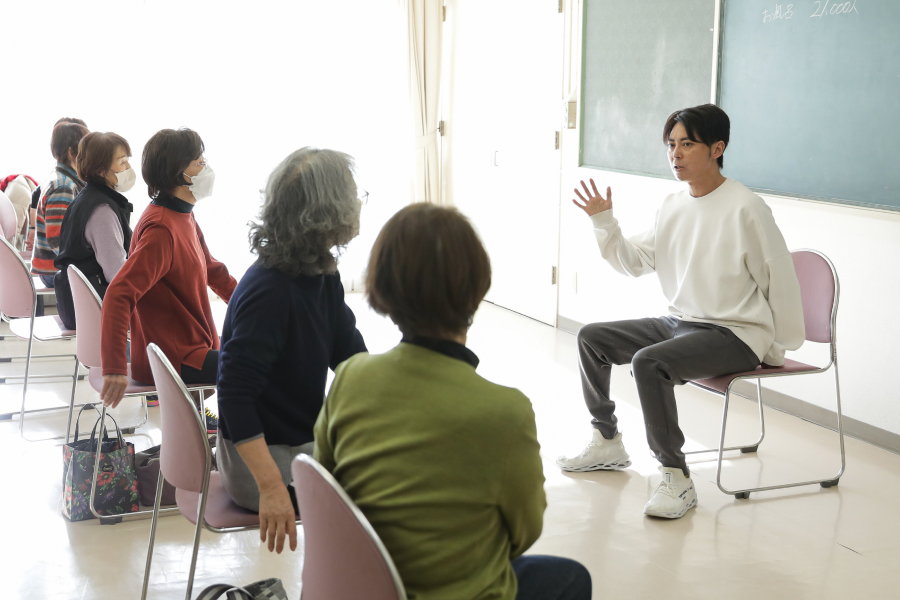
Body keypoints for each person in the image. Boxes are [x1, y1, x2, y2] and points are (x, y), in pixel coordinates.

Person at [313, 203, 592, 600]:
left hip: (360, 587)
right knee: (572, 578)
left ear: (383, 285)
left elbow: (327, 495)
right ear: (476, 286)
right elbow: (525, 533)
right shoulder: (505, 412)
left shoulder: (350, 377)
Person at [557, 104, 805, 519]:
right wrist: (604, 222)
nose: (675, 154)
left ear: (717, 148)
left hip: (735, 333)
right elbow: (634, 262)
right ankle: (607, 441)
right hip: (680, 323)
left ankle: (676, 476)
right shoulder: (673, 205)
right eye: (671, 144)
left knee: (648, 362)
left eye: (687, 144)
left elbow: (779, 279)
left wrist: (776, 347)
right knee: (591, 338)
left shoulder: (747, 207)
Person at [216, 147, 367, 524]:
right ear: (329, 212)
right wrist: (270, 487)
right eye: (354, 195)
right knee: (396, 491)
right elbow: (234, 395)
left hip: (296, 444)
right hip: (266, 468)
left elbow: (350, 354)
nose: (358, 204)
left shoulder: (320, 271)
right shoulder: (271, 292)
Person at [99, 128, 234, 433]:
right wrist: (114, 367)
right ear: (178, 173)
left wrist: (256, 304)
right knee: (261, 366)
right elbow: (119, 294)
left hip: (188, 348)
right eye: (199, 163)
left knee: (260, 351)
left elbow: (213, 270)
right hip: (173, 356)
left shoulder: (183, 215)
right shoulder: (161, 229)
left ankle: (217, 430)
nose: (206, 168)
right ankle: (240, 440)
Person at [54, 132, 135, 329]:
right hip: (93, 307)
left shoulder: (86, 198)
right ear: (101, 170)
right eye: (122, 162)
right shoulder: (102, 210)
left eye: (127, 160)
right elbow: (117, 274)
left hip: (78, 304)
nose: (128, 168)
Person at [32, 120, 90, 285]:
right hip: (54, 271)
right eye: (86, 150)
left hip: (58, 267)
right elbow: (57, 240)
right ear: (71, 153)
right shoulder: (63, 186)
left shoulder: (66, 179)